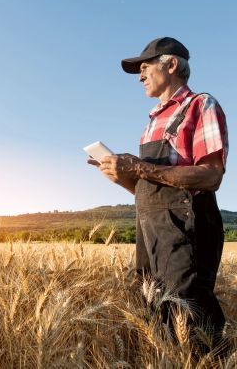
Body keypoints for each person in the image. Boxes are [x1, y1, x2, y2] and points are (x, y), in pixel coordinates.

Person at [89, 37, 229, 350]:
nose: (140, 76)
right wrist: (123, 177)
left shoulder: (200, 105)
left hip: (186, 230)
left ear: (172, 65)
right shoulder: (152, 122)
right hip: (151, 233)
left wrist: (139, 168)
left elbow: (211, 175)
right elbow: (151, 188)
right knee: (157, 314)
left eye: (144, 67)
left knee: (191, 322)